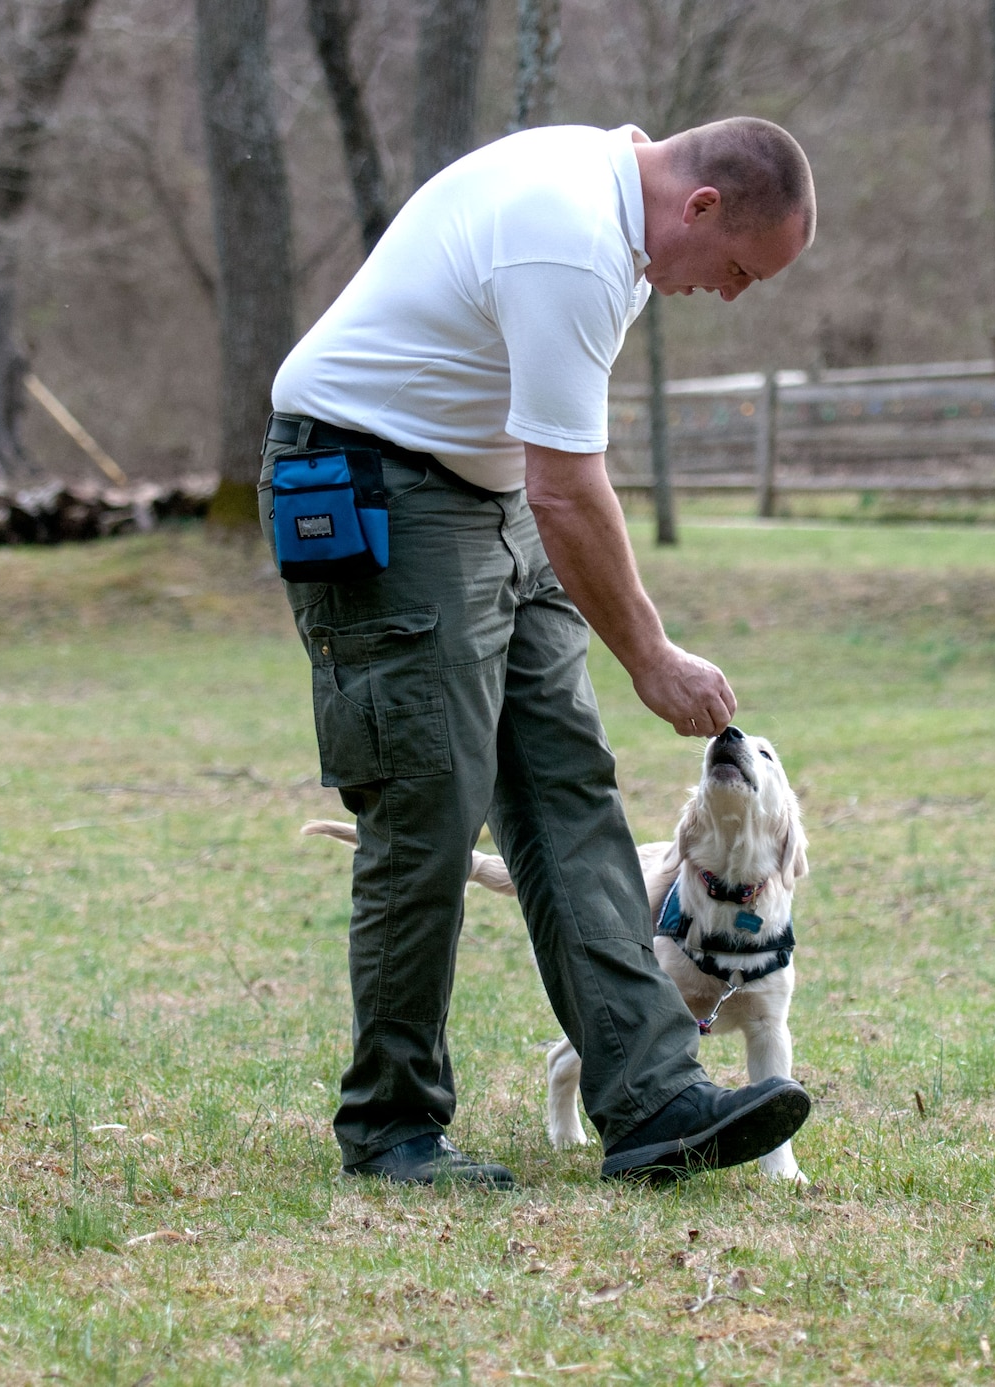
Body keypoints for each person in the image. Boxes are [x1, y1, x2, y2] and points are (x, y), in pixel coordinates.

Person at [260, 117, 817, 1187]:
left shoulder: (615, 212)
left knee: (568, 789)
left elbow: (550, 475)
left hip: (486, 490)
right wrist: (649, 654)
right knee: (427, 801)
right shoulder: (570, 238)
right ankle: (391, 1127)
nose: (732, 293)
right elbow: (569, 485)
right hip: (372, 479)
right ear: (699, 208)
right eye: (740, 269)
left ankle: (653, 1099)